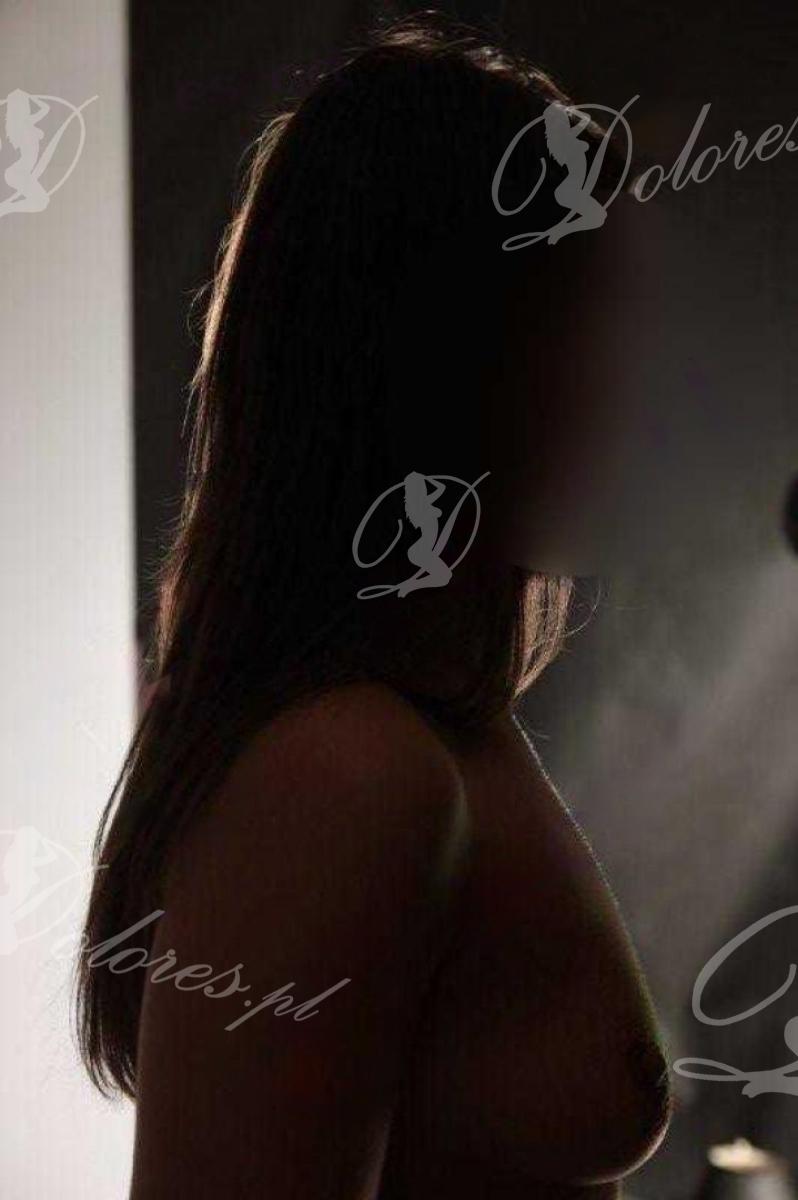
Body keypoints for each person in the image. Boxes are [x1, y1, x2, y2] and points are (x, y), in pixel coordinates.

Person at [77, 18, 671, 1198]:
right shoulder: (348, 773)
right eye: (579, 320)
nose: (625, 385)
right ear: (447, 352)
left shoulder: (438, 738)